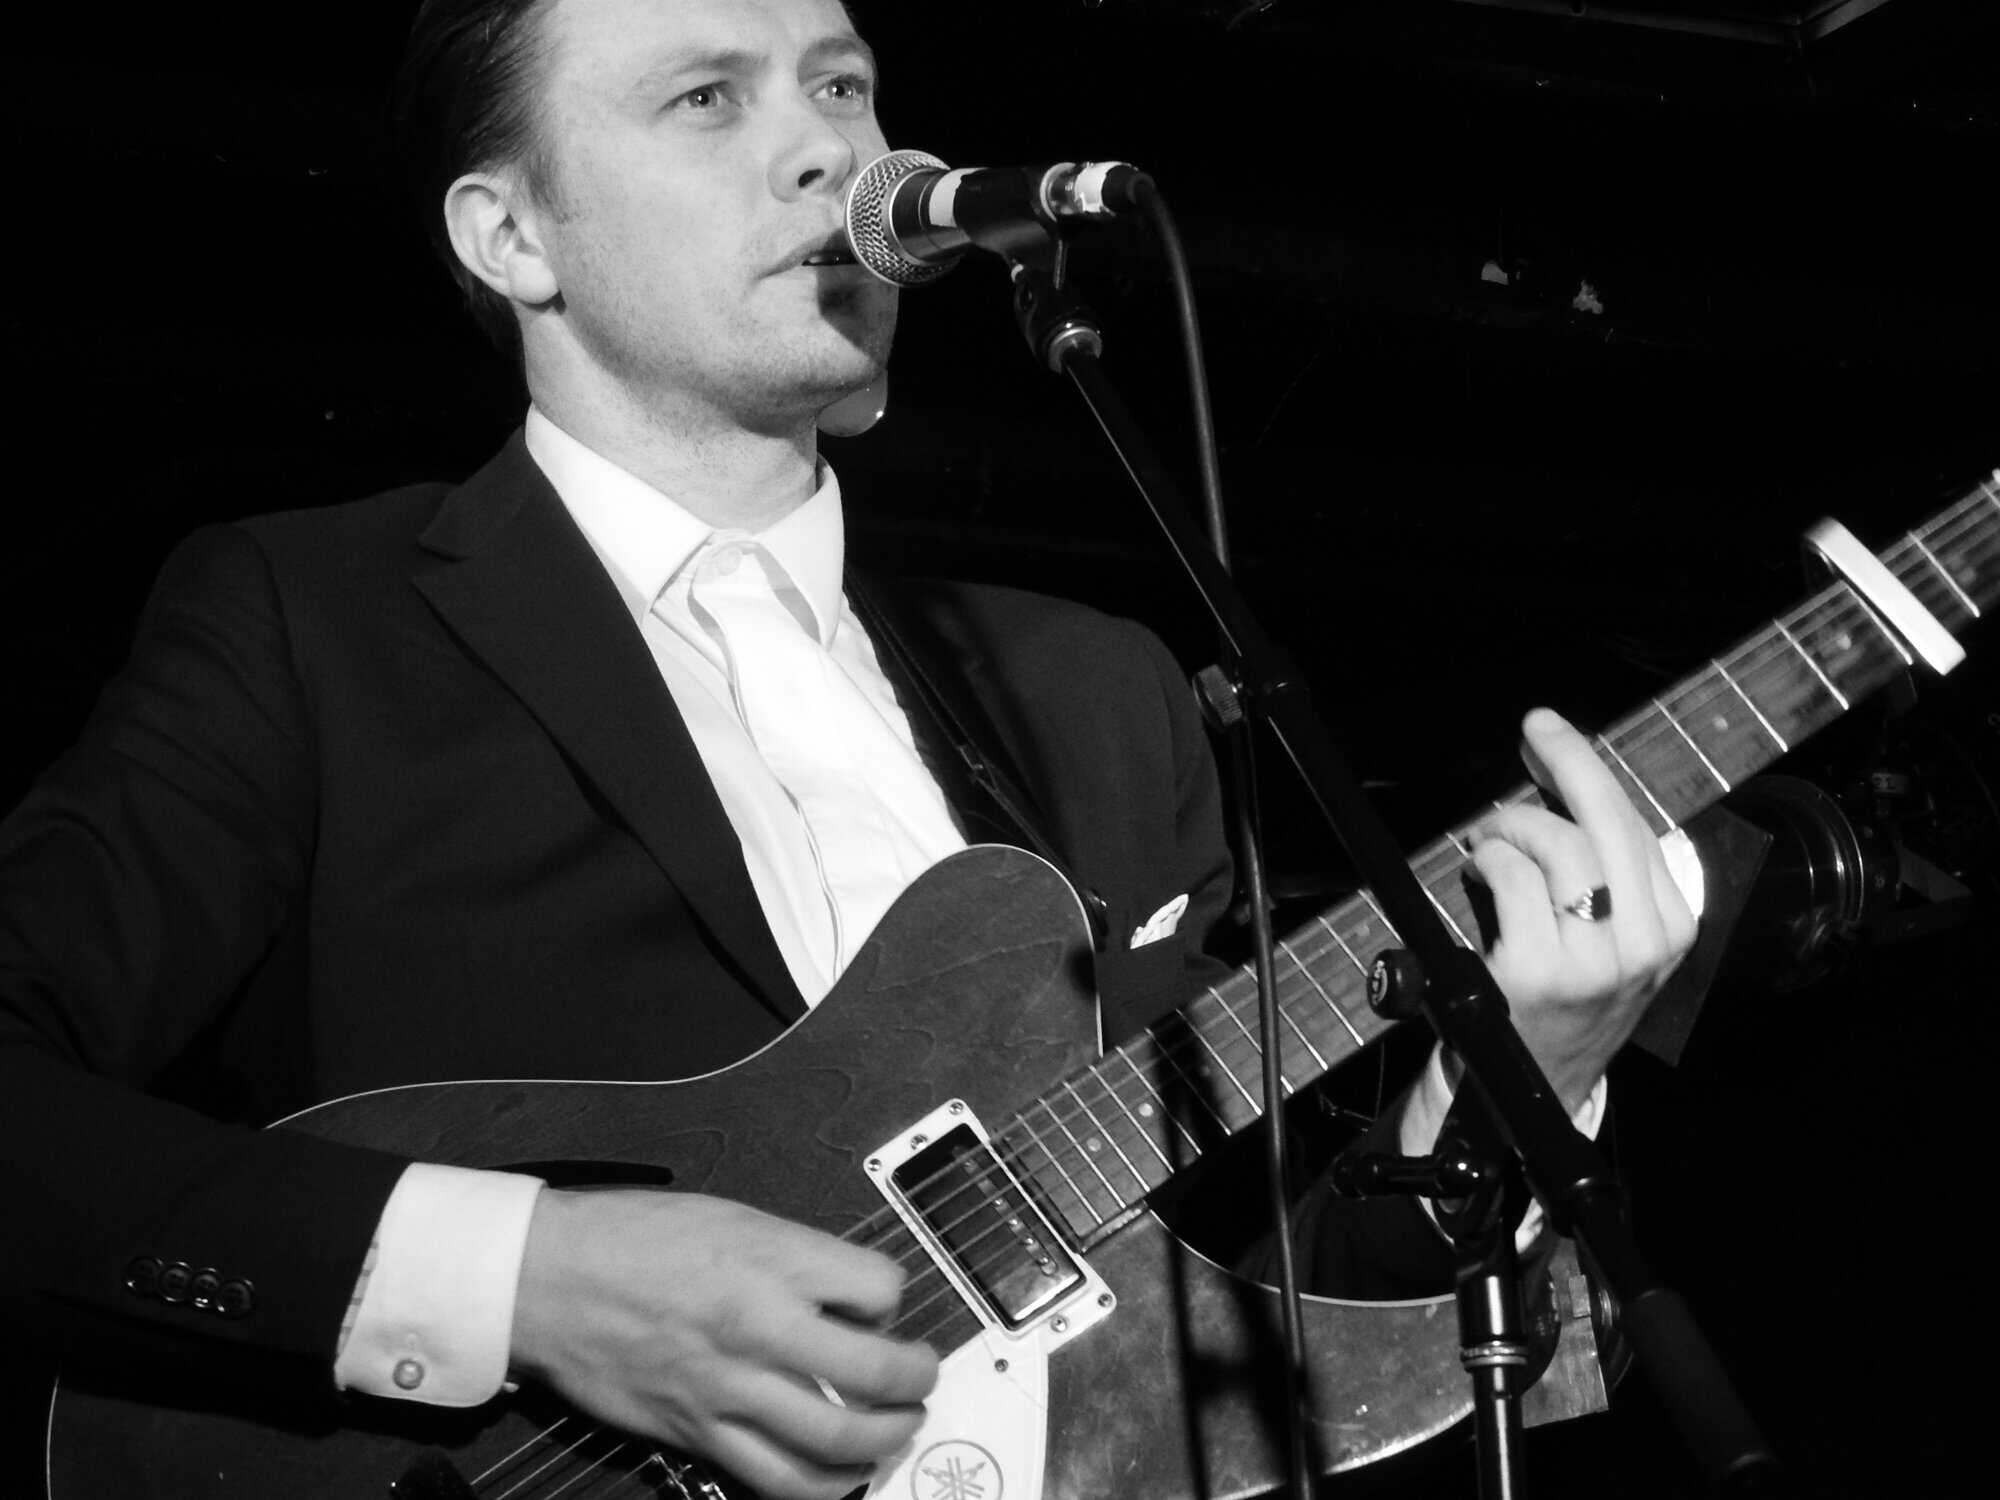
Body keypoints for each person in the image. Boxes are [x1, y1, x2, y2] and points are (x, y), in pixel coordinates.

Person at [0, 1, 1695, 1496]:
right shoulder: (314, 622)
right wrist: (534, 1281)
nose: (828, 147)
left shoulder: (1092, 693)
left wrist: (1507, 1085)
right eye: (706, 99)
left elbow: (1241, 1369)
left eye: (842, 85)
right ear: (512, 235)